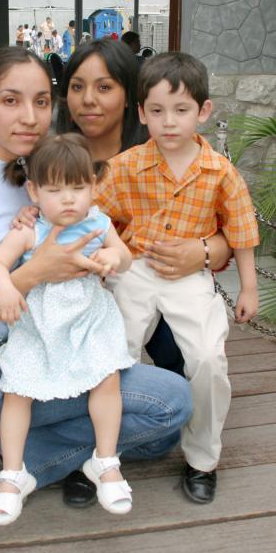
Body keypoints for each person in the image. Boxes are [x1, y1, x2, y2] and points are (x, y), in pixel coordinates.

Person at [0, 45, 192, 512]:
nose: (29, 116)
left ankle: (7, 449)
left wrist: (205, 248)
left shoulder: (51, 173)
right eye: (10, 101)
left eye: (42, 101)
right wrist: (32, 274)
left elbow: (118, 232)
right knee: (169, 407)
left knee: (160, 429)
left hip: (56, 340)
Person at [17, 39, 233, 507]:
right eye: (76, 86)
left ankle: (192, 451)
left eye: (104, 86)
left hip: (156, 279)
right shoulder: (51, 154)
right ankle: (90, 453)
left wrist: (203, 249)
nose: (88, 99)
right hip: (79, 294)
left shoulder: (161, 142)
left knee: (194, 355)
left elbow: (225, 232)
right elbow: (36, 217)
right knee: (94, 353)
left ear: (130, 98)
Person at [95, 51, 260, 504]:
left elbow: (242, 230)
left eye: (182, 109)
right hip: (134, 269)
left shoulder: (219, 172)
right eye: (157, 111)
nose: (170, 122)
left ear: (203, 111)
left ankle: (202, 458)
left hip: (191, 276)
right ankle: (102, 452)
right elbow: (94, 218)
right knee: (113, 353)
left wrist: (248, 287)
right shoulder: (125, 166)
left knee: (208, 358)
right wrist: (107, 258)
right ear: (142, 113)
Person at [0, 133, 135, 525]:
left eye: (78, 187)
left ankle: (106, 460)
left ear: (94, 185)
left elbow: (126, 255)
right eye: (55, 189)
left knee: (107, 378)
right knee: (17, 390)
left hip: (89, 322)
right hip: (39, 326)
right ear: (33, 190)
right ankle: (13, 474)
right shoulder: (30, 230)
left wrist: (111, 254)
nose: (68, 199)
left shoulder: (99, 221)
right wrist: (4, 287)